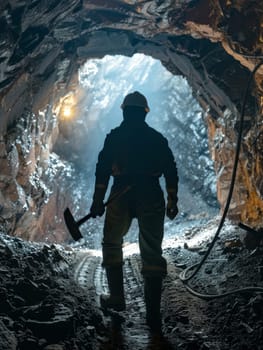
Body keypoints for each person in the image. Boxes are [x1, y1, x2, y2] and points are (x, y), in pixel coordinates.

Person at [90, 91, 178, 332]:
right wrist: (172, 199)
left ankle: (117, 297)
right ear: (144, 113)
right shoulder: (156, 139)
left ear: (124, 111)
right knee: (151, 249)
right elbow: (170, 168)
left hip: (121, 192)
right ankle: (153, 314)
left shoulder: (115, 137)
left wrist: (98, 200)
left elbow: (102, 170)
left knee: (111, 242)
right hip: (150, 192)